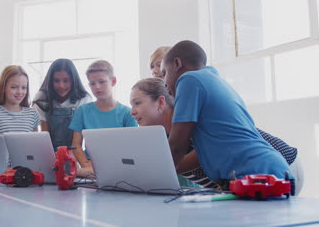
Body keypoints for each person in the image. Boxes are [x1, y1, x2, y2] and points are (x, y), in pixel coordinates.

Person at [130, 77, 303, 194]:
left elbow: (183, 161)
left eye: (137, 103)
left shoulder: (187, 120)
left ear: (160, 102)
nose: (132, 111)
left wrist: (149, 170)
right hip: (246, 178)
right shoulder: (166, 135)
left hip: (281, 166)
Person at [162, 40, 294, 190]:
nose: (164, 83)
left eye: (164, 73)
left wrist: (151, 178)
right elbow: (201, 153)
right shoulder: (215, 81)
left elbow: (176, 147)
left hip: (257, 172)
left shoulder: (189, 80)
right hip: (266, 169)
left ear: (177, 64)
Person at [69, 60, 138, 177]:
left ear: (113, 81)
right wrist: (86, 164)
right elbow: (76, 145)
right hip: (90, 167)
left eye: (102, 82)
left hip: (119, 166)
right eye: (92, 83)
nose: (97, 87)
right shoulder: (82, 111)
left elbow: (131, 147)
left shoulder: (127, 112)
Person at [33, 59, 92, 150]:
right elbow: (45, 135)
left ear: (73, 80)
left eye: (66, 80)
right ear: (50, 81)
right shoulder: (42, 98)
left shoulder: (84, 99)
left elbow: (77, 141)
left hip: (74, 152)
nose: (61, 85)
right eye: (56, 81)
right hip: (50, 152)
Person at [0, 65, 39, 135]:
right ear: (3, 87)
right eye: (14, 87)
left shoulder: (32, 114)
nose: (19, 92)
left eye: (24, 87)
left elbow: (35, 144)